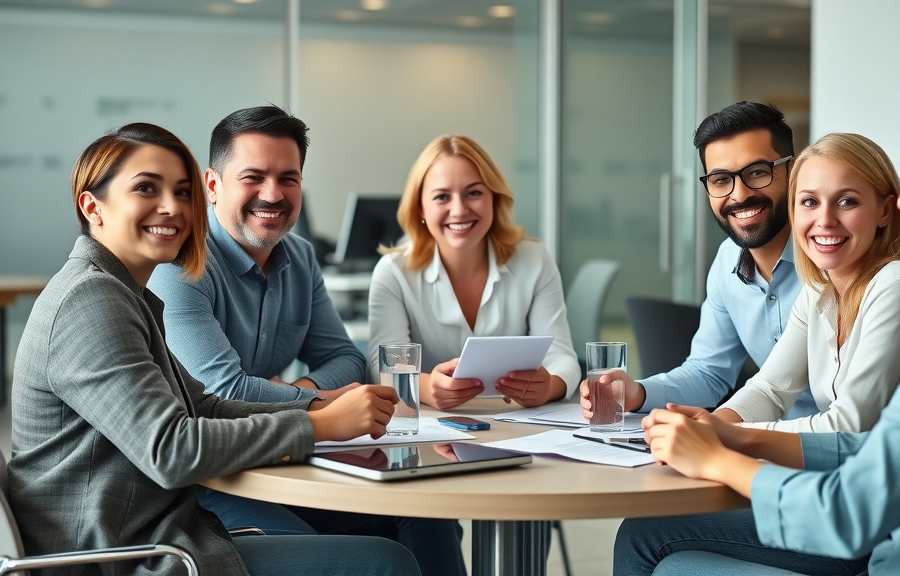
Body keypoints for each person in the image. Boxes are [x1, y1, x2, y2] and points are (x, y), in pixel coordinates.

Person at [616, 84, 900, 575]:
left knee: (658, 549)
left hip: (894, 548)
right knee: (665, 551)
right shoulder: (826, 286)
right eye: (809, 202)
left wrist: (721, 455)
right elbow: (862, 440)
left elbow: (851, 500)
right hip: (889, 527)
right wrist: (725, 433)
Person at [8, 123, 419, 576]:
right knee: (388, 562)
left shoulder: (125, 292)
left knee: (400, 526)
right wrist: (318, 424)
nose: (172, 207)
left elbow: (203, 407)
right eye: (146, 188)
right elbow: (172, 450)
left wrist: (317, 407)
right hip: (113, 556)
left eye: (182, 192)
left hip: (151, 532)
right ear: (93, 207)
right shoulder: (91, 299)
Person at [149, 107, 464, 576]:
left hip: (283, 458)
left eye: (288, 178)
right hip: (210, 483)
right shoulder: (180, 267)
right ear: (212, 186)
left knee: (426, 512)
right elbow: (224, 393)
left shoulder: (299, 256)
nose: (273, 194)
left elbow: (345, 358)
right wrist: (320, 402)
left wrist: (299, 391)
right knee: (356, 556)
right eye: (253, 177)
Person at [580, 102, 819, 421]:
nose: (739, 194)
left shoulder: (831, 257)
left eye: (757, 172)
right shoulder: (726, 262)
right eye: (721, 180)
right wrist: (637, 393)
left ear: (793, 171)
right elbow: (709, 373)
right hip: (768, 438)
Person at [711, 132, 900, 432]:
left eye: (846, 201)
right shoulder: (819, 290)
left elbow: (848, 426)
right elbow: (769, 390)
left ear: (885, 211)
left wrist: (726, 435)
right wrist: (708, 426)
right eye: (809, 201)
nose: (825, 220)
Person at [367, 134, 579, 410]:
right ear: (420, 208)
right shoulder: (393, 272)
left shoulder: (535, 260)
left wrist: (550, 386)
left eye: (474, 193)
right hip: (430, 424)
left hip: (518, 421)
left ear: (494, 198)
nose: (459, 210)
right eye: (442, 197)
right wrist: (426, 388)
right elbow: (381, 365)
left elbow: (562, 358)